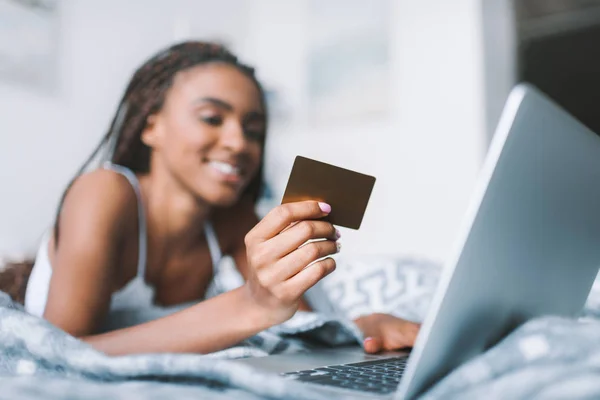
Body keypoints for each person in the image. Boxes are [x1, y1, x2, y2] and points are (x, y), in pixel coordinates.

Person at [24, 41, 419, 356]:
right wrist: (251, 305)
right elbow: (60, 353)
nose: (239, 143)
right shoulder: (104, 192)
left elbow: (302, 324)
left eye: (253, 130)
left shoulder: (231, 220)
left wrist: (360, 326)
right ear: (151, 127)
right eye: (212, 118)